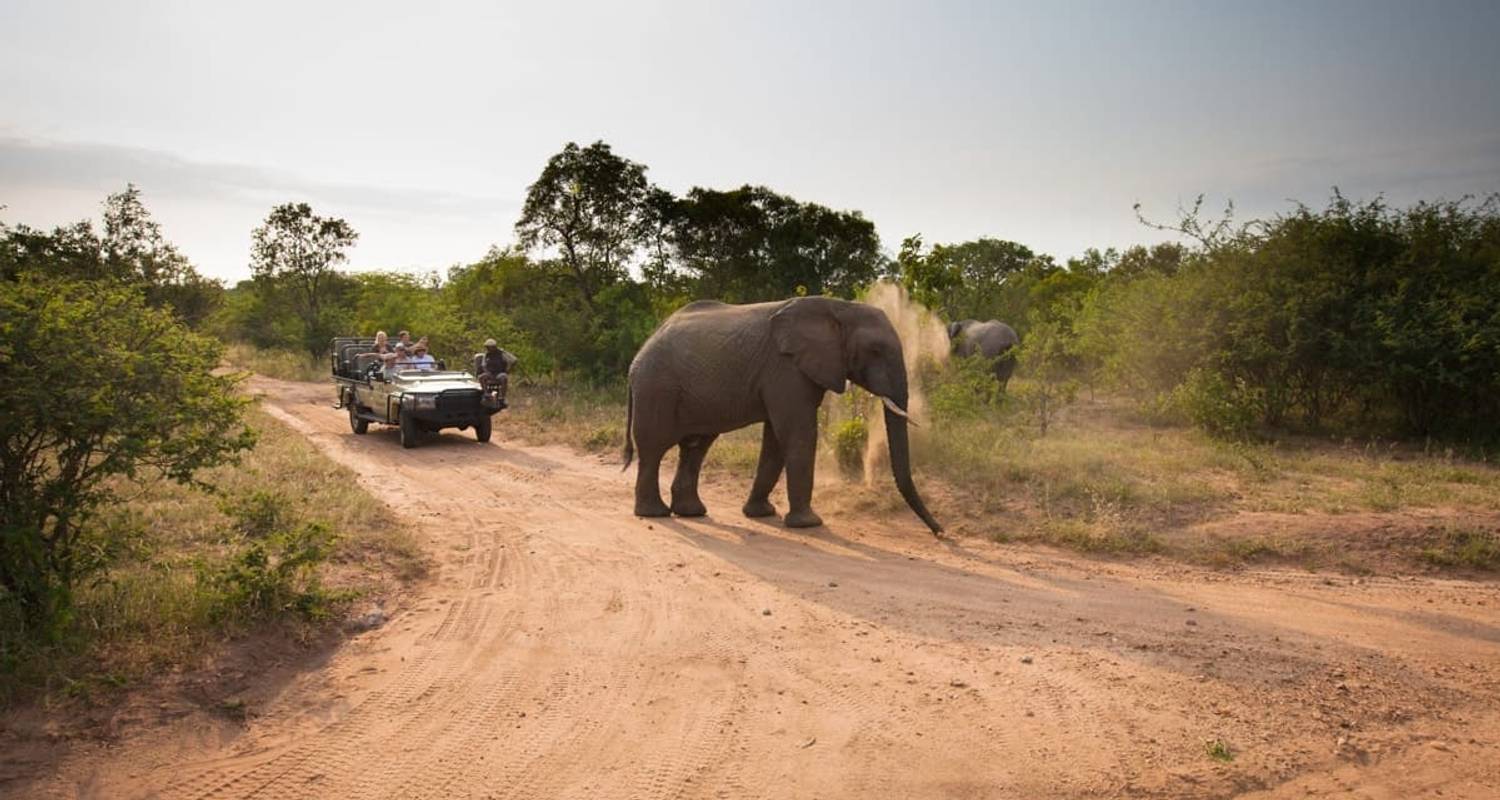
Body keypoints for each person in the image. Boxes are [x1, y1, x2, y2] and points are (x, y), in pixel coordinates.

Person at [477, 338, 510, 407]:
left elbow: (513, 360)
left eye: (489, 347)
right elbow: (484, 365)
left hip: (499, 373)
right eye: (487, 347)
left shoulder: (501, 353)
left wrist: (508, 370)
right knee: (481, 377)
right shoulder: (487, 355)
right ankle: (486, 395)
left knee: (504, 378)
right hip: (490, 373)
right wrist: (487, 372)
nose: (488, 349)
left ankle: (501, 398)